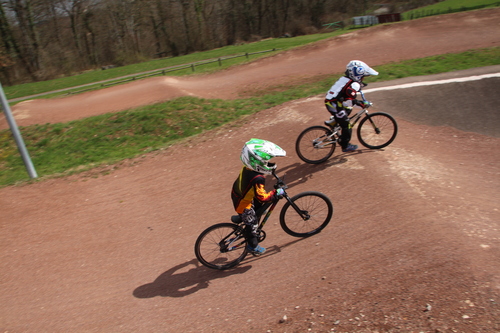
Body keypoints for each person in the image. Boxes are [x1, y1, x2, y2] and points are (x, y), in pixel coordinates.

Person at [231, 138, 286, 256]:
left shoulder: (247, 168)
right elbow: (262, 197)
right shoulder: (258, 179)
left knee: (257, 209)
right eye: (265, 161)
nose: (267, 163)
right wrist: (275, 193)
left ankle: (243, 217)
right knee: (253, 225)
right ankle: (252, 246)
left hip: (238, 195)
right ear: (257, 163)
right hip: (243, 203)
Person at [324, 60, 378, 152]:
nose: (363, 79)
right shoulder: (354, 84)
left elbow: (345, 96)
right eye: (363, 77)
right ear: (358, 75)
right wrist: (362, 104)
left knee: (348, 109)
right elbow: (350, 101)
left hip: (333, 101)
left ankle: (334, 122)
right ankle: (345, 146)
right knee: (347, 125)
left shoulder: (345, 79)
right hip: (334, 104)